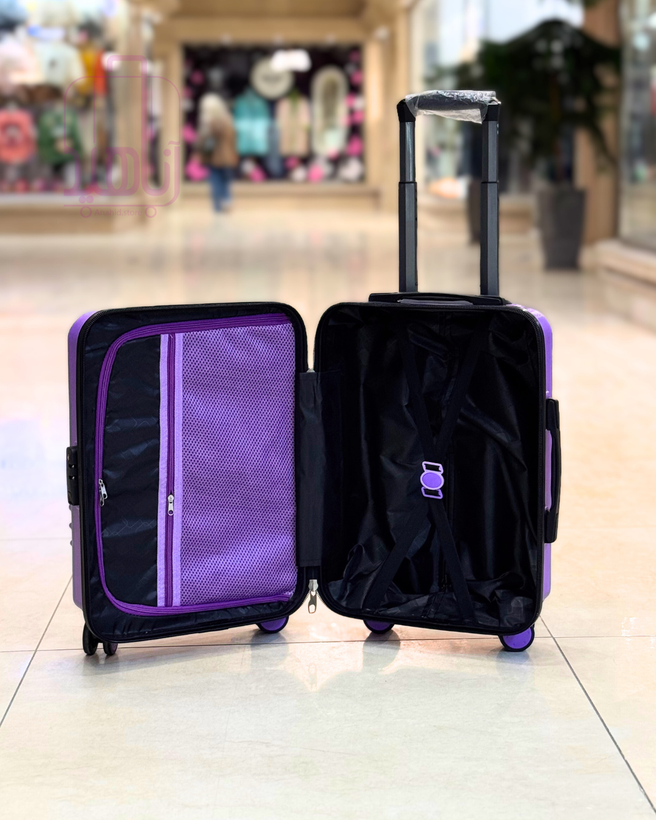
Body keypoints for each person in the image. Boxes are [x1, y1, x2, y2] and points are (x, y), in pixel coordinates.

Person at [194, 93, 238, 212]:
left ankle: (218, 205)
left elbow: (202, 141)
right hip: (226, 157)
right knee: (225, 180)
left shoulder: (208, 122)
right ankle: (226, 200)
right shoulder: (228, 120)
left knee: (216, 181)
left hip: (213, 157)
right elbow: (233, 138)